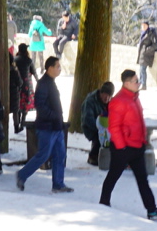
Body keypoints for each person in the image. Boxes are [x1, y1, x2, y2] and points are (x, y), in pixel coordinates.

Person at [100, 68, 157, 220]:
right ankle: (103, 203)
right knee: (113, 176)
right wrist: (121, 146)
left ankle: (151, 210)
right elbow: (114, 126)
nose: (139, 83)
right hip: (123, 148)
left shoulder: (134, 98)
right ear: (127, 83)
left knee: (142, 179)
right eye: (136, 81)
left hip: (137, 145)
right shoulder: (118, 101)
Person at [15, 56, 72, 193]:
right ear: (50, 68)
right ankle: (22, 175)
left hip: (56, 127)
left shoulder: (51, 82)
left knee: (60, 155)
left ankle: (58, 184)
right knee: (43, 156)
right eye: (57, 66)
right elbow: (40, 106)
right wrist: (54, 117)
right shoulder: (43, 84)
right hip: (47, 127)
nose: (59, 69)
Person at [80, 81, 113, 166]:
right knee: (100, 137)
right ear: (101, 93)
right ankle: (93, 156)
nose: (107, 98)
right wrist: (101, 129)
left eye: (109, 96)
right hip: (90, 126)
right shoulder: (90, 101)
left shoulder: (111, 102)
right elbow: (88, 119)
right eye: (105, 95)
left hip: (105, 126)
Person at [11, 44, 35, 133]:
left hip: (16, 85)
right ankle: (22, 122)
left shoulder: (14, 59)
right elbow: (34, 72)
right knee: (25, 105)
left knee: (16, 107)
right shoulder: (29, 60)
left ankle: (16, 125)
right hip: (26, 85)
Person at [135, 20, 157, 90]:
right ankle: (140, 83)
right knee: (141, 69)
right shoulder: (143, 33)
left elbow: (156, 44)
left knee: (142, 69)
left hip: (147, 55)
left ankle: (143, 84)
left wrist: (147, 50)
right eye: (142, 25)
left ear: (147, 26)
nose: (142, 27)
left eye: (144, 25)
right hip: (142, 54)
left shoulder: (151, 33)